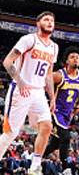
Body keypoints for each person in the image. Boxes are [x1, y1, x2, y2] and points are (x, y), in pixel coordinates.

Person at [0, 11, 59, 175]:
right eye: (46, 19)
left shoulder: (54, 47)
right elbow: (7, 61)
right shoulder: (29, 40)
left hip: (39, 92)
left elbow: (48, 74)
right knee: (10, 133)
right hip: (20, 90)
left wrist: (52, 97)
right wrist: (20, 81)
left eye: (52, 21)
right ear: (38, 23)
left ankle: (35, 167)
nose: (50, 22)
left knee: (47, 126)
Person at [43, 47, 79, 168]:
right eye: (72, 57)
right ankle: (65, 167)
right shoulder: (59, 75)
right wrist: (49, 99)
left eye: (77, 57)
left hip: (68, 114)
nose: (76, 59)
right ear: (66, 61)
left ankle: (37, 157)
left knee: (55, 144)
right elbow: (45, 81)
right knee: (66, 137)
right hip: (55, 111)